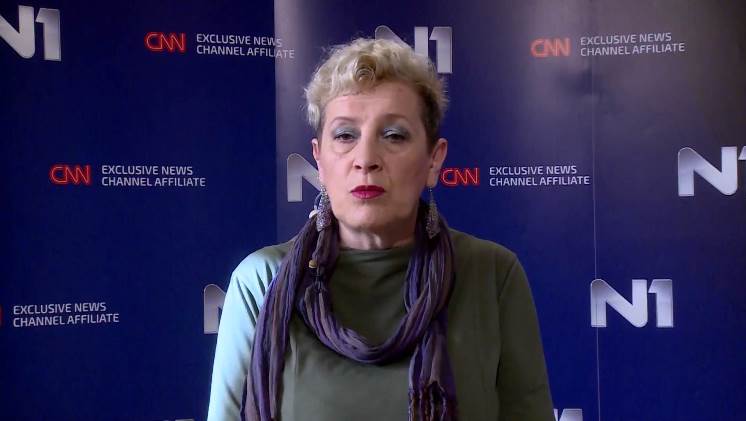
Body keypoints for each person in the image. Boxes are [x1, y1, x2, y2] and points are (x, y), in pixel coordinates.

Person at [208, 38, 554, 421]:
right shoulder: (261, 281)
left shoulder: (493, 276)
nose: (366, 159)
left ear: (434, 160)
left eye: (393, 136)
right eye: (345, 135)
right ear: (319, 160)